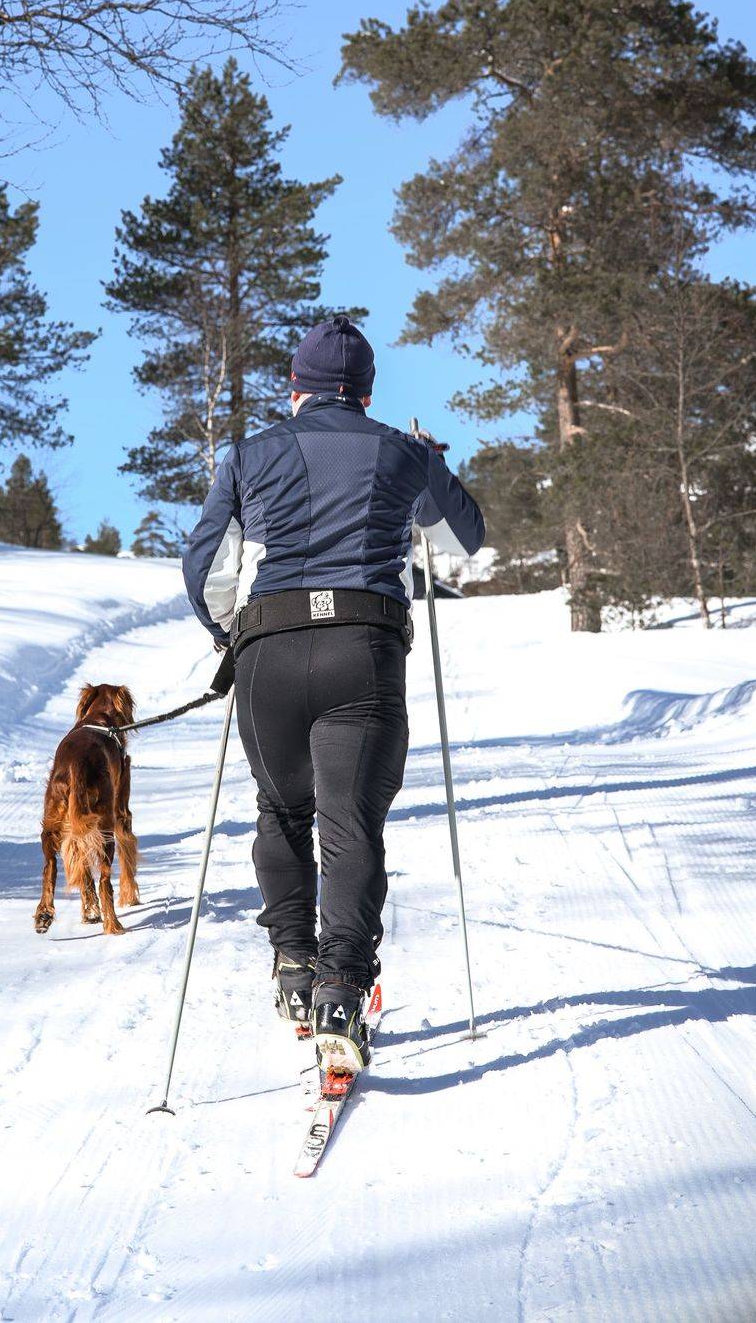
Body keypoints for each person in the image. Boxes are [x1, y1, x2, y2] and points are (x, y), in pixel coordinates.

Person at [182, 316, 484, 1075]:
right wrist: (429, 465)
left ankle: (293, 967)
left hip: (271, 652)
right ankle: (341, 990)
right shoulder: (403, 452)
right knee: (349, 824)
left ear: (296, 390)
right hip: (364, 649)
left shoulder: (249, 455)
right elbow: (462, 540)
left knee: (282, 809)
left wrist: (230, 635)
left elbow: (204, 568)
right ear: (366, 393)